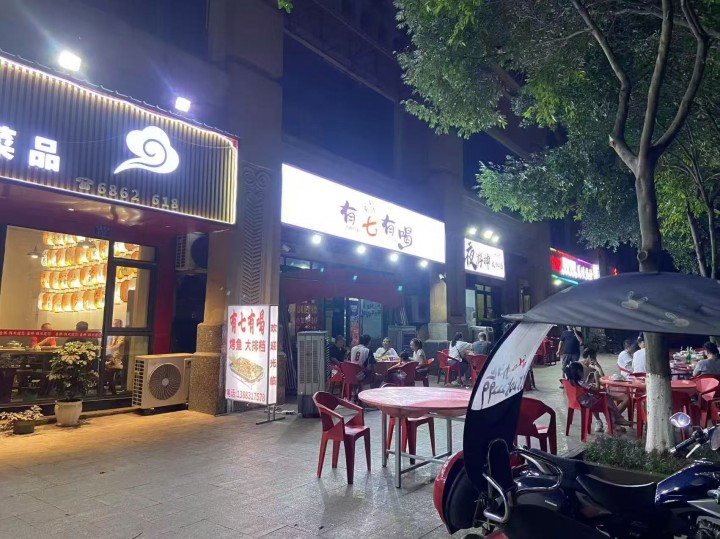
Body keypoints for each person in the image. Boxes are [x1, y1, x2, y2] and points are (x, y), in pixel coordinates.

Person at [567, 361, 630, 433]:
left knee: (604, 397)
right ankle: (617, 419)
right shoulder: (581, 382)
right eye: (582, 372)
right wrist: (596, 378)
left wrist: (589, 380)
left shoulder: (571, 381)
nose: (583, 373)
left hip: (578, 402)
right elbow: (597, 389)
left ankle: (614, 422)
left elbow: (585, 389)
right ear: (579, 371)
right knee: (606, 398)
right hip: (587, 403)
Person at [103, 319, 125, 395]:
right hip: (115, 358)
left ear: (120, 325)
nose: (114, 326)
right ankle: (109, 386)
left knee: (108, 369)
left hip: (120, 360)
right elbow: (113, 345)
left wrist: (108, 348)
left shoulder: (122, 335)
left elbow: (117, 346)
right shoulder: (115, 335)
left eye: (116, 324)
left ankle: (112, 390)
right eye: (113, 324)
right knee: (104, 365)